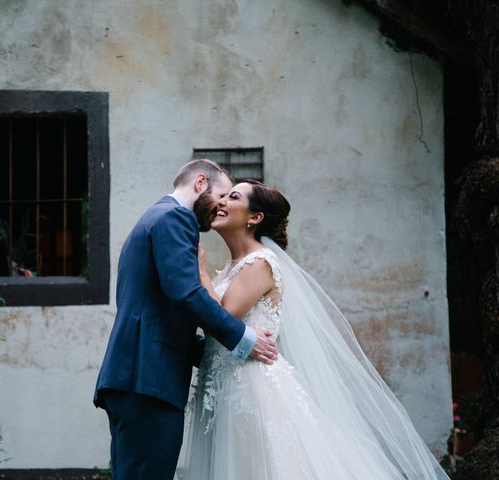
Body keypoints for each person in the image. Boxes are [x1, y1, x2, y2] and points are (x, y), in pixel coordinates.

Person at [184, 180, 451, 480]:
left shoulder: (259, 263)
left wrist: (201, 270)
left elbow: (222, 317)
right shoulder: (235, 265)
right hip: (219, 384)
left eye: (232, 197)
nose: (220, 202)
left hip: (248, 389)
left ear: (254, 217)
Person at [93, 161, 279, 480]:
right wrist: (244, 338)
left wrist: (209, 351)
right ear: (200, 182)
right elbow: (186, 293)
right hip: (148, 378)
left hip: (136, 375)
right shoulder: (175, 217)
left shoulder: (155, 217)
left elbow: (159, 314)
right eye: (221, 195)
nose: (220, 205)